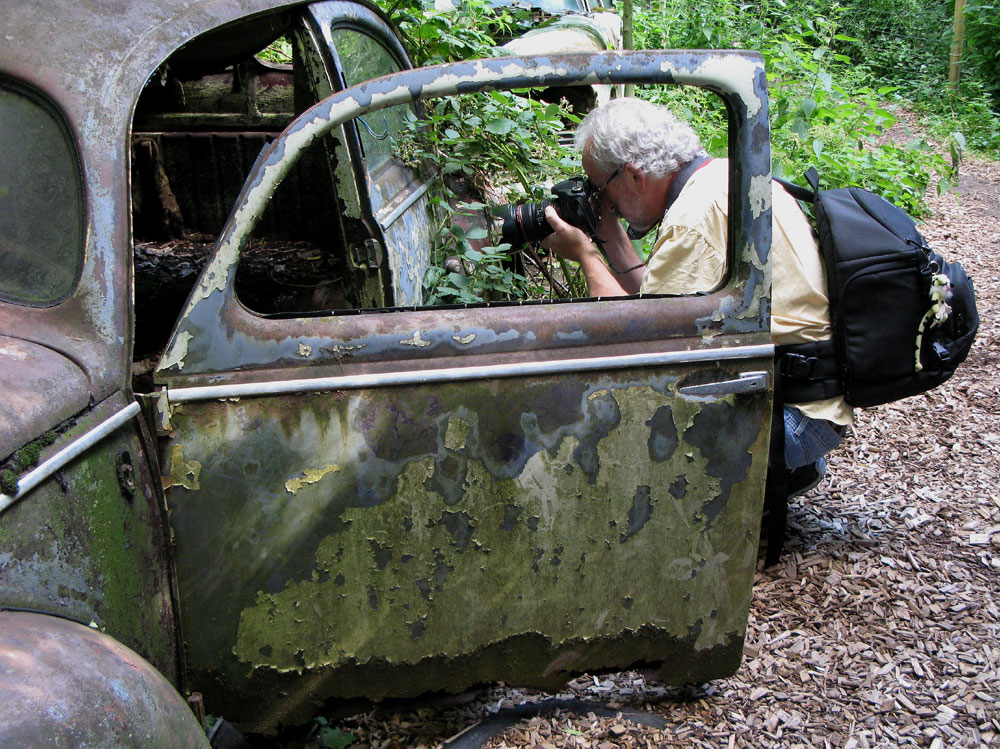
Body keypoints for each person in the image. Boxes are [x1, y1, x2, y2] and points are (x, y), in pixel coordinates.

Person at [540, 97, 853, 496]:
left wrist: (585, 255)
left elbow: (635, 348)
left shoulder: (694, 220)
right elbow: (657, 307)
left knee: (613, 419)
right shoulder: (725, 177)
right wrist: (609, 234)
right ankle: (776, 476)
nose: (607, 205)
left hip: (790, 421)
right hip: (806, 399)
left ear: (634, 175)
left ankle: (767, 478)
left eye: (603, 191)